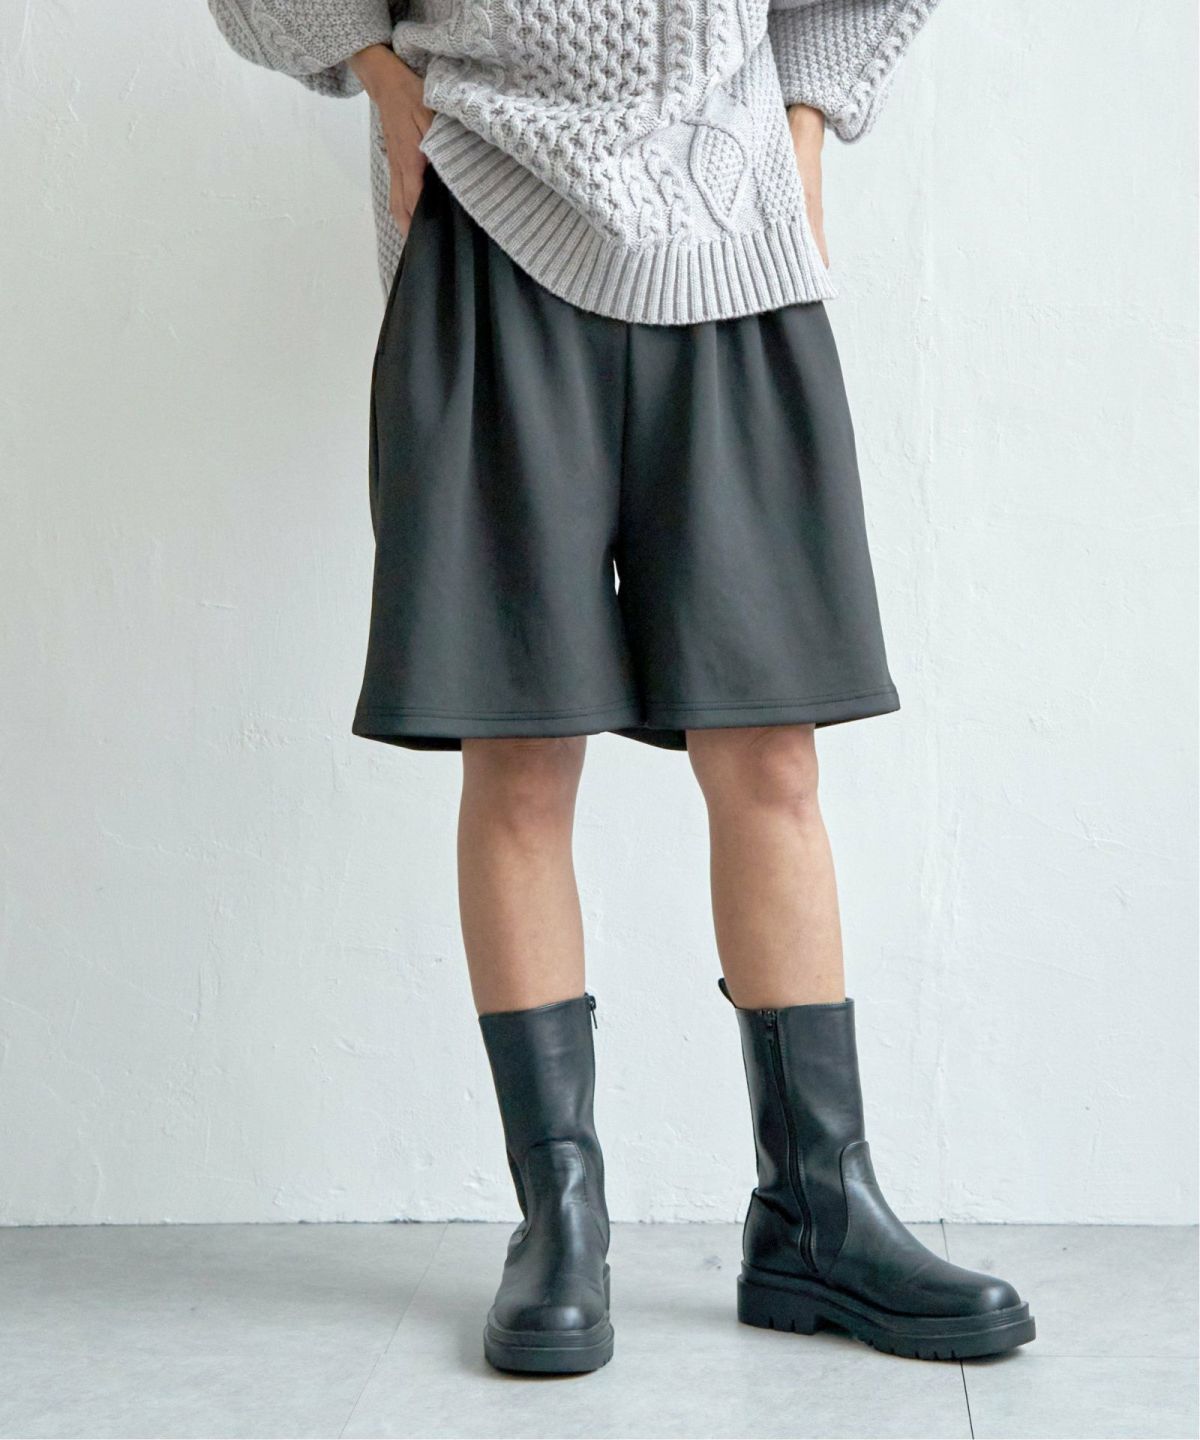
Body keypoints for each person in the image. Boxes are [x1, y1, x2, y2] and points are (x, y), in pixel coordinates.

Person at [207, 0, 1035, 1373]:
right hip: (483, 217)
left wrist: (803, 126)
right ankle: (561, 1224)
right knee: (520, 753)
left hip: (733, 231)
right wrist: (382, 80)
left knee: (771, 751)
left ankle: (820, 1212)